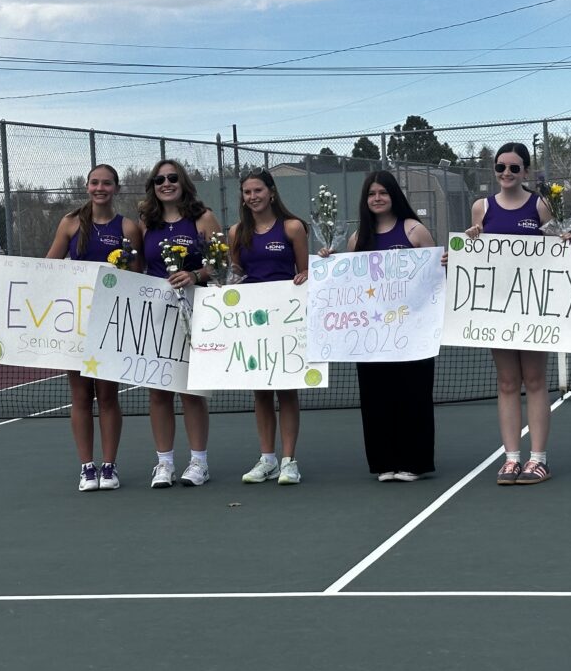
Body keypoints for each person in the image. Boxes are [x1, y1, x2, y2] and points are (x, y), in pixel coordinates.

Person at [323, 171, 437, 482]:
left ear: (393, 195)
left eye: (383, 192)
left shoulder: (414, 230)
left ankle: (414, 462)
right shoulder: (357, 239)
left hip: (413, 332)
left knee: (413, 396)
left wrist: (444, 264)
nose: (377, 198)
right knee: (376, 397)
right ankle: (385, 462)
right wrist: (329, 263)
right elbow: (349, 283)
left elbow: (433, 277)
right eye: (372, 193)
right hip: (371, 335)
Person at [46, 164, 142, 492]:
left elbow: (138, 277)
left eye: (106, 183)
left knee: (108, 396)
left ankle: (109, 466)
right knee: (81, 397)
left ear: (116, 188)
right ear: (87, 186)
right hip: (76, 325)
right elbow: (47, 268)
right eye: (95, 183)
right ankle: (87, 468)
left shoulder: (128, 227)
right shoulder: (71, 223)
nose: (100, 188)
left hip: (111, 324)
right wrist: (2, 286)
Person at [465, 142, 557, 486]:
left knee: (534, 380)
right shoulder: (481, 207)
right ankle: (512, 458)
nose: (506, 173)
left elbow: (556, 250)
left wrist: (566, 240)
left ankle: (538, 459)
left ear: (525, 172)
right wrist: (469, 241)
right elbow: (475, 257)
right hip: (497, 309)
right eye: (500, 167)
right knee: (506, 383)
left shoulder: (540, 205)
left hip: (534, 308)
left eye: (514, 168)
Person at [139, 159, 220, 489]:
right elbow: (138, 268)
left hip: (195, 312)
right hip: (156, 315)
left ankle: (199, 462)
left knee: (191, 391)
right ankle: (165, 463)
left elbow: (221, 262)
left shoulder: (203, 218)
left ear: (183, 182)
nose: (166, 184)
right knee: (158, 391)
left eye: (172, 178)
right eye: (159, 180)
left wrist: (196, 275)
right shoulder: (147, 223)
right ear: (153, 187)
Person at [229, 168, 309, 485]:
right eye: (247, 192)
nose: (253, 197)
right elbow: (235, 274)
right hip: (252, 323)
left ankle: (289, 461)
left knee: (286, 392)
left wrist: (305, 277)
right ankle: (268, 460)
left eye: (258, 190)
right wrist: (225, 285)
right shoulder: (236, 232)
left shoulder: (292, 227)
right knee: (261, 392)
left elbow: (305, 272)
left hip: (286, 321)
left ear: (271, 192)